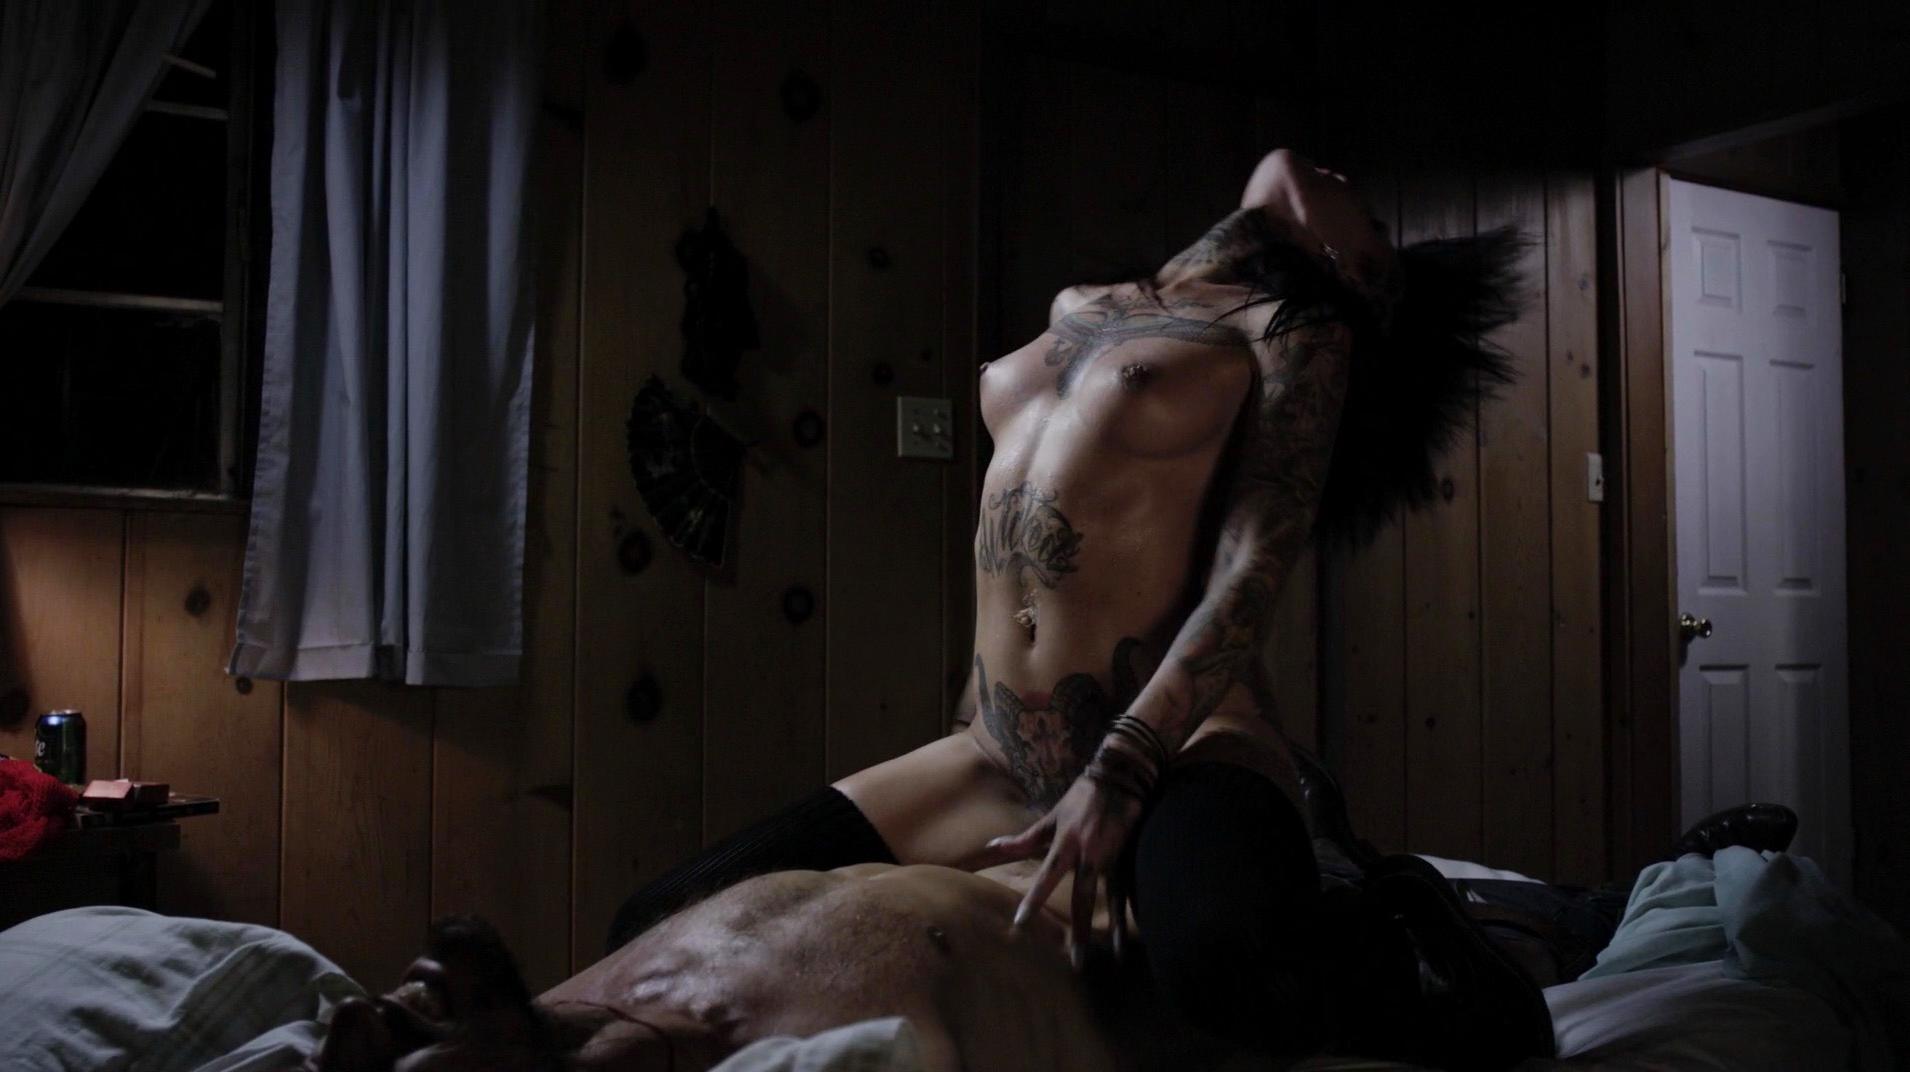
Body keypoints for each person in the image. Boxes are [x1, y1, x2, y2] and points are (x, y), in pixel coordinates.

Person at [609, 147, 1549, 1067]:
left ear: (1362, 270)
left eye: (1372, 219)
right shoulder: (1082, 305)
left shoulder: (1295, 331)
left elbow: (1252, 564)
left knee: (1223, 967)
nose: (1342, 179)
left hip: (1181, 741)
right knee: (655, 922)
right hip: (995, 748)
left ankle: (1385, 929)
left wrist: (1126, 766)